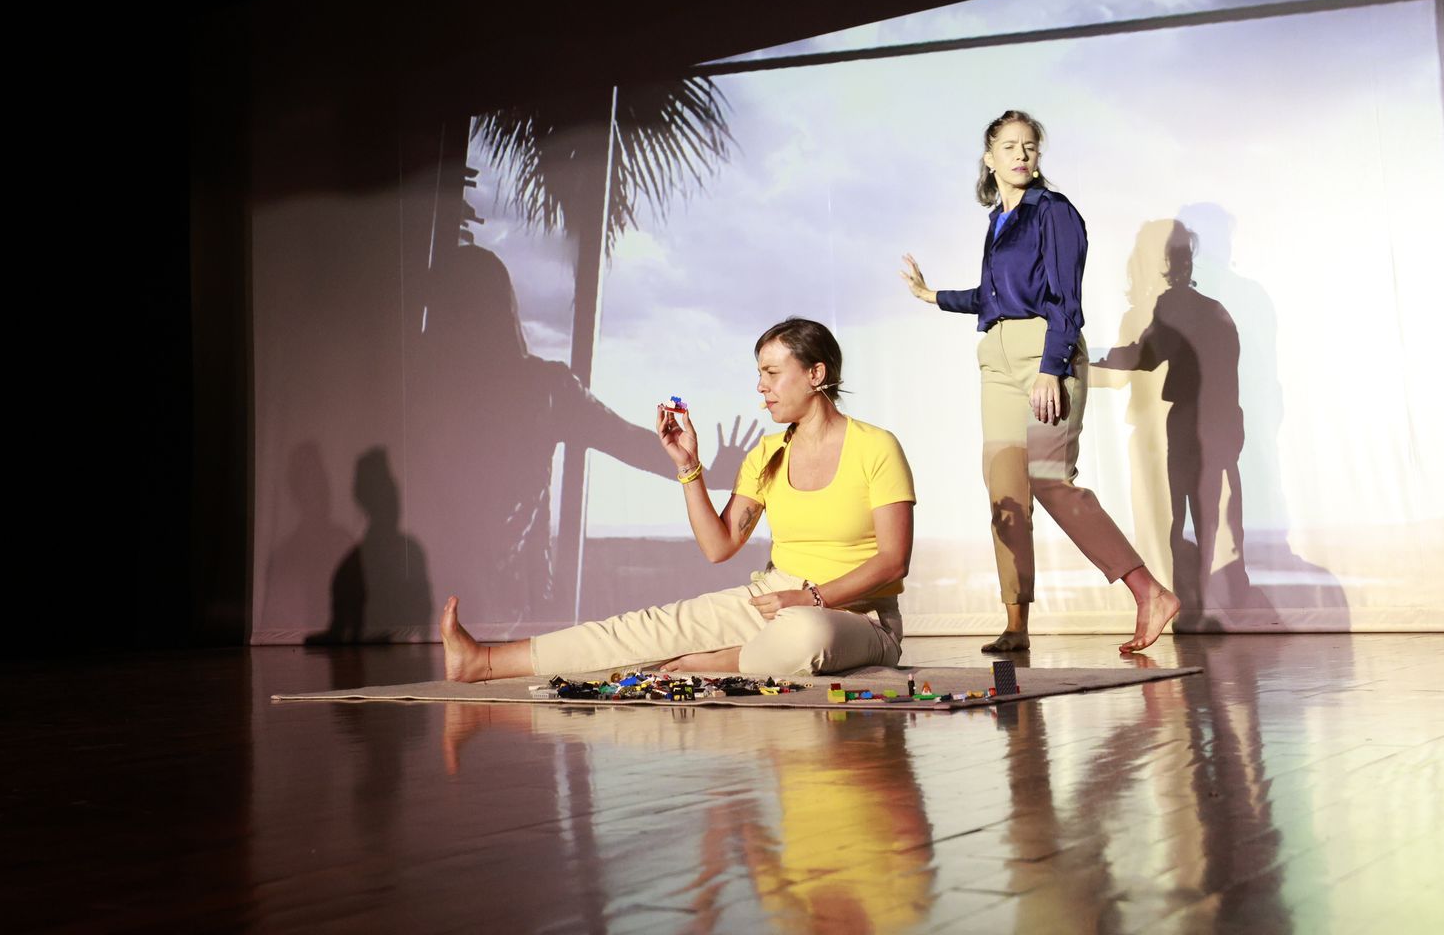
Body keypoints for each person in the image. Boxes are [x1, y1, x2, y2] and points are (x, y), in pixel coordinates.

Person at [440, 318, 915, 681]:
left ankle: (720, 661)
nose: (761, 386)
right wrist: (689, 466)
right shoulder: (768, 453)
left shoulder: (876, 447)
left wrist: (812, 598)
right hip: (775, 597)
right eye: (759, 374)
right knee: (649, 627)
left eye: (772, 373)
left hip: (857, 615)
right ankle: (482, 661)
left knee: (808, 634)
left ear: (816, 373)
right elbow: (718, 546)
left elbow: (893, 561)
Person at [900, 110, 1177, 654]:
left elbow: (1065, 299)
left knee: (1050, 480)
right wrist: (933, 296)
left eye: (1029, 146)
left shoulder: (1054, 212)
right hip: (997, 361)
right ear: (989, 158)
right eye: (1009, 146)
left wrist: (1052, 367)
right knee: (1005, 493)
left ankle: (1149, 591)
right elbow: (992, 297)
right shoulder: (998, 221)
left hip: (1045, 352)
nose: (1021, 155)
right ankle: (1015, 625)